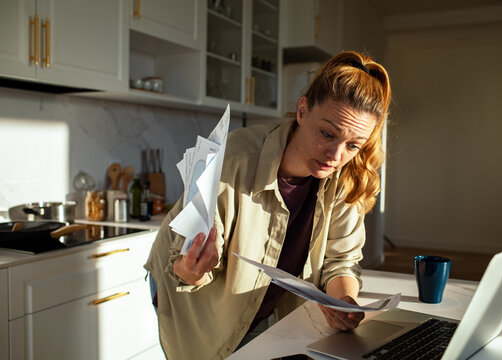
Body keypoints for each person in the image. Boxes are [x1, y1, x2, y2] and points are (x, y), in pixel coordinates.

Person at [144, 50, 392, 359]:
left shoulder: (346, 177)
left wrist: (343, 303)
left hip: (257, 294)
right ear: (302, 111)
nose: (335, 155)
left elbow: (340, 262)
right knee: (213, 347)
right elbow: (182, 265)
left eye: (353, 145)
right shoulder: (232, 161)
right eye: (327, 134)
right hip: (185, 281)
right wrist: (192, 269)